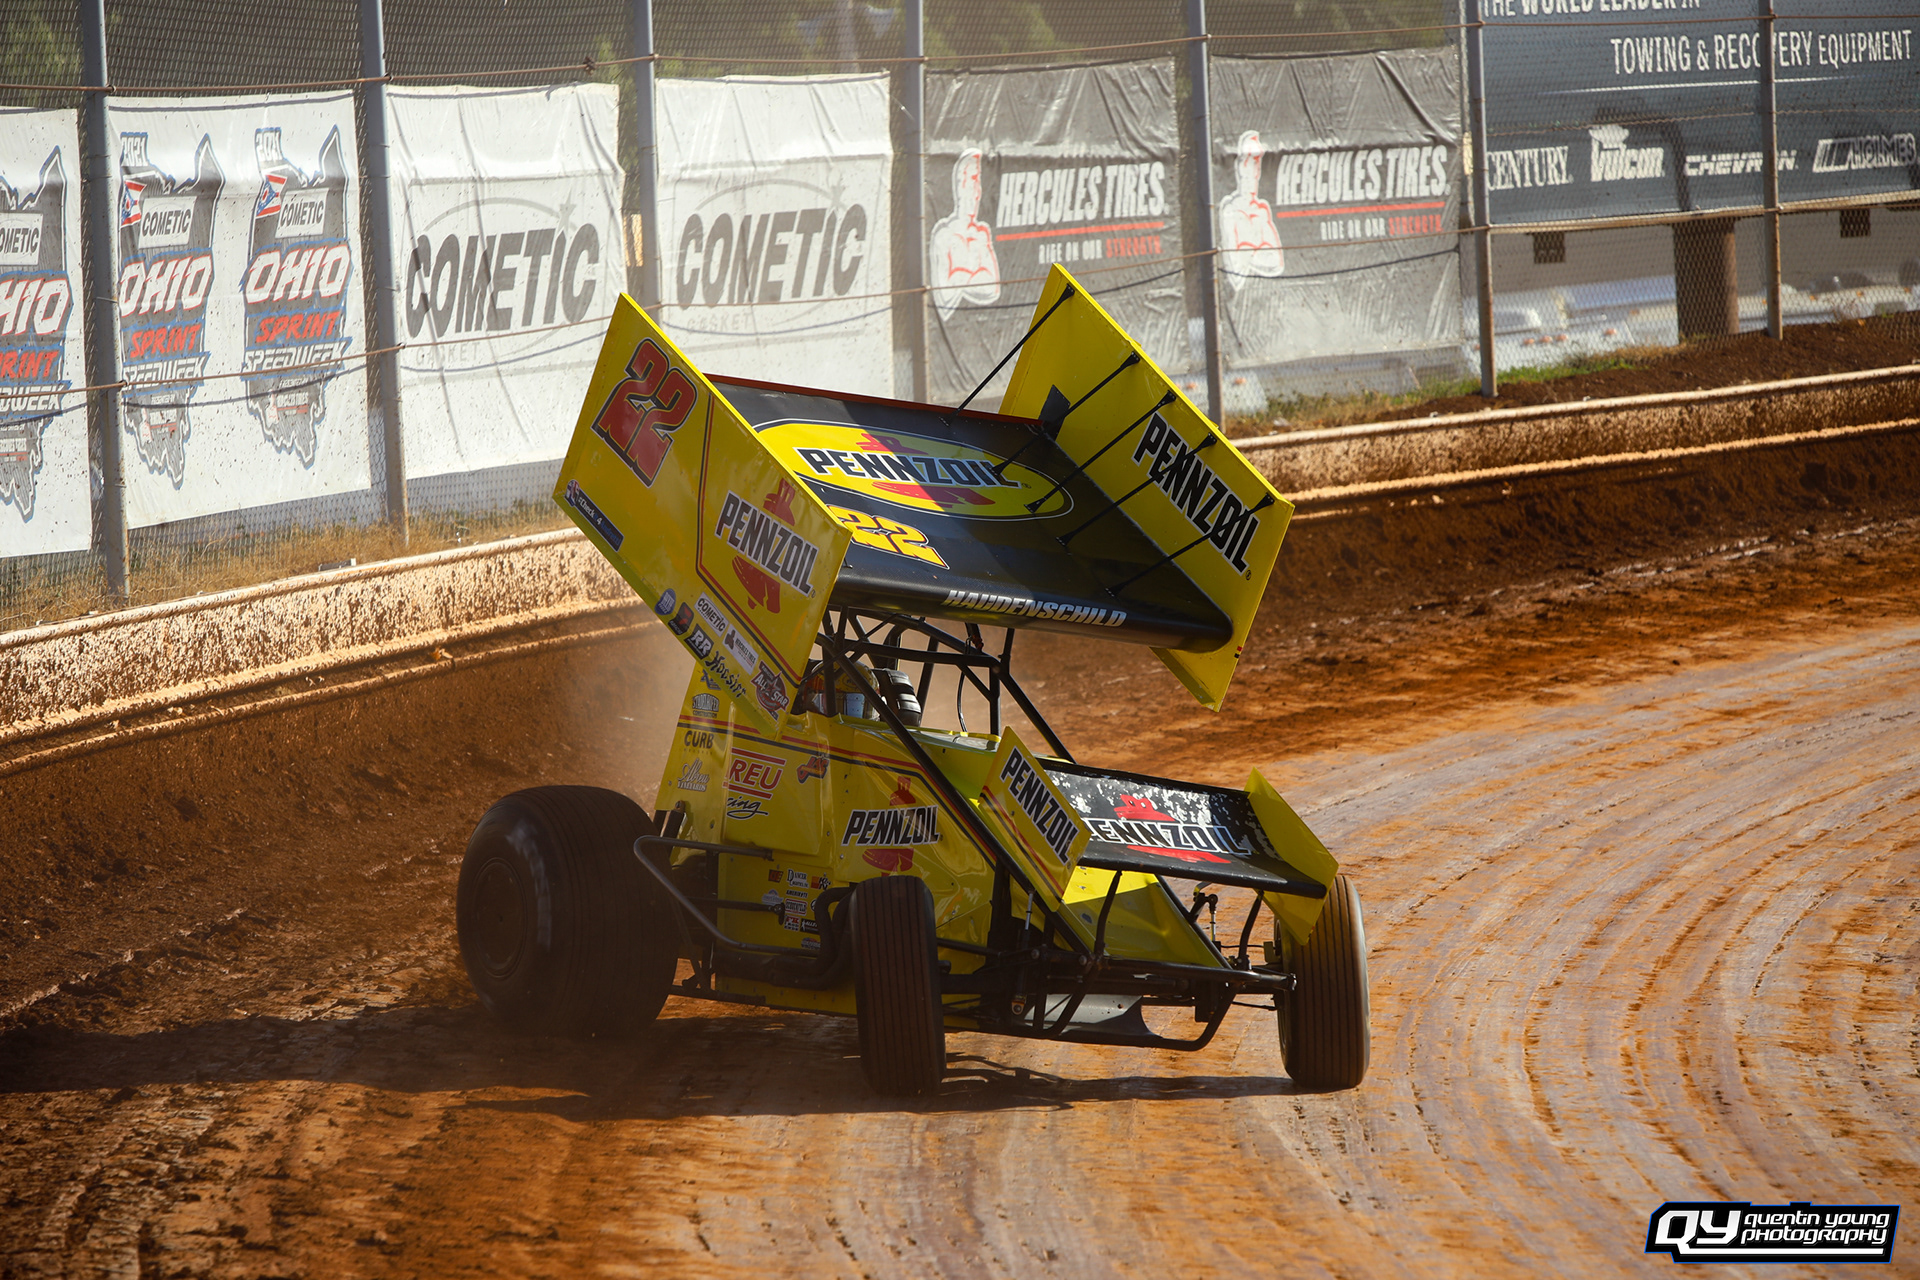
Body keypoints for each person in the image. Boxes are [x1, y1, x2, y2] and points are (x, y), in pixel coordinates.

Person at [928, 149, 1001, 319]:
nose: (976, 192)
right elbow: (944, 296)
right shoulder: (943, 235)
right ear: (959, 185)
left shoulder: (982, 233)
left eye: (978, 183)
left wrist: (959, 275)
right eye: (971, 181)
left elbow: (992, 287)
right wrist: (976, 276)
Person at [1218, 130, 1284, 291]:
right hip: (1238, 298)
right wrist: (1257, 251)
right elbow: (1235, 265)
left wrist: (1247, 252)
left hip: (1268, 293)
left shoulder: (1261, 210)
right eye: (1247, 161)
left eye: (1256, 163)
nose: (1252, 171)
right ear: (1239, 166)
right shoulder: (1230, 210)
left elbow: (1275, 261)